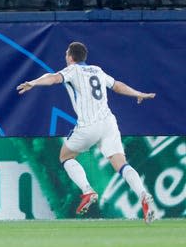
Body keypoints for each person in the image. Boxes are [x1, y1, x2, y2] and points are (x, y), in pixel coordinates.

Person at [16, 41, 157, 223]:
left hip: (89, 125)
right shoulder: (97, 70)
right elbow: (116, 85)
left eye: (66, 53)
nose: (65, 56)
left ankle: (87, 190)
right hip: (108, 123)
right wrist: (137, 93)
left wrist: (33, 83)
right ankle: (143, 194)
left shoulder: (72, 70)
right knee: (121, 164)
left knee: (65, 156)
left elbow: (52, 78)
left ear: (70, 57)